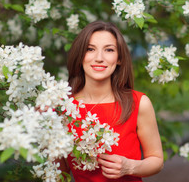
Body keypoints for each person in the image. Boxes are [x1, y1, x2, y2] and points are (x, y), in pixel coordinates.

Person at [64, 20, 163, 181]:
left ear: (119, 59)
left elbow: (157, 161)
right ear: (80, 55)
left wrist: (130, 166)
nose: (99, 58)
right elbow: (58, 173)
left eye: (109, 50)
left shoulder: (138, 103)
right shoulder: (63, 107)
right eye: (90, 49)